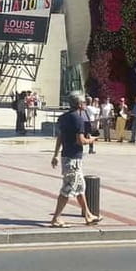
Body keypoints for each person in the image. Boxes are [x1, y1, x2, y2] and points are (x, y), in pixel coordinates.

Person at [49, 91, 102, 228]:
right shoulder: (78, 119)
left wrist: (55, 154)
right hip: (73, 159)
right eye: (84, 102)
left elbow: (60, 137)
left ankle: (88, 215)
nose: (85, 104)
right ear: (79, 104)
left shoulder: (63, 117)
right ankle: (55, 218)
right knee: (67, 190)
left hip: (66, 157)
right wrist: (92, 140)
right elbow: (80, 141)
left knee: (79, 187)